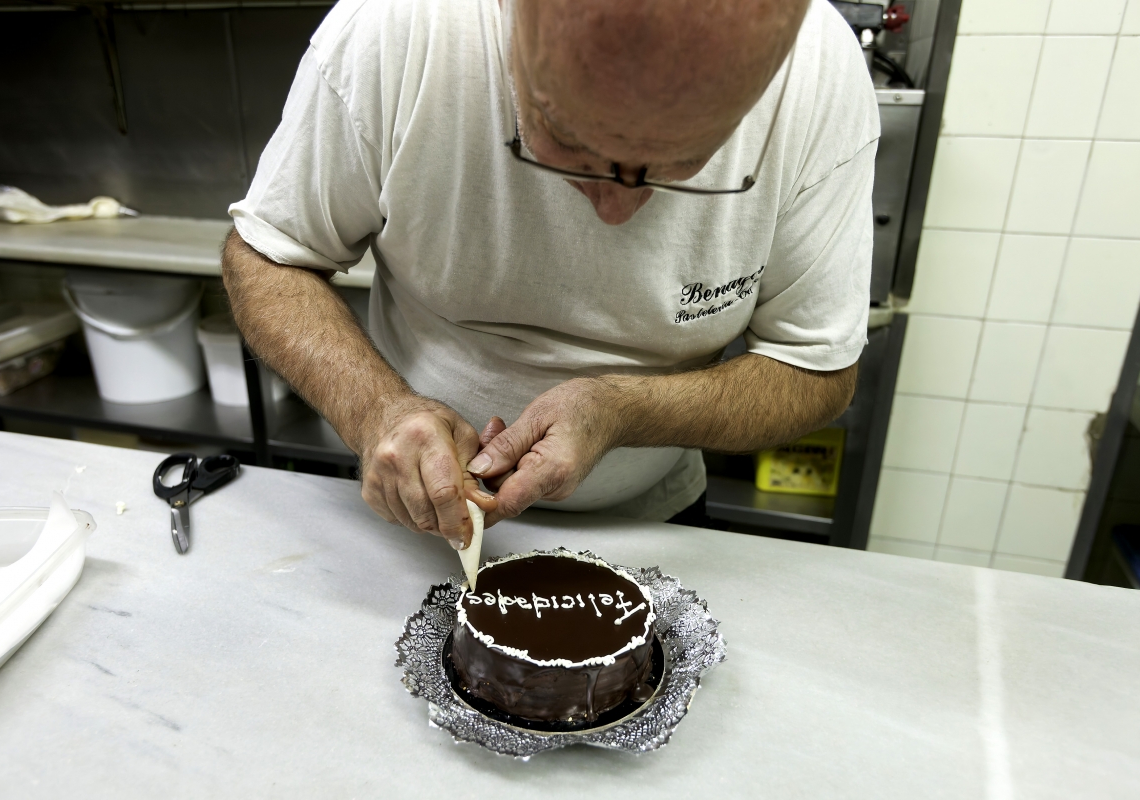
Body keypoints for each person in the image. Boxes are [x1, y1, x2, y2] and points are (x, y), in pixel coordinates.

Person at [223, 0, 879, 549]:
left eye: (683, 160)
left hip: (651, 525)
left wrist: (622, 410)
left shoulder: (817, 73)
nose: (616, 212)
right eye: (567, 138)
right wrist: (376, 410)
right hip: (414, 527)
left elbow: (815, 367)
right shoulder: (403, 26)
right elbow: (270, 256)